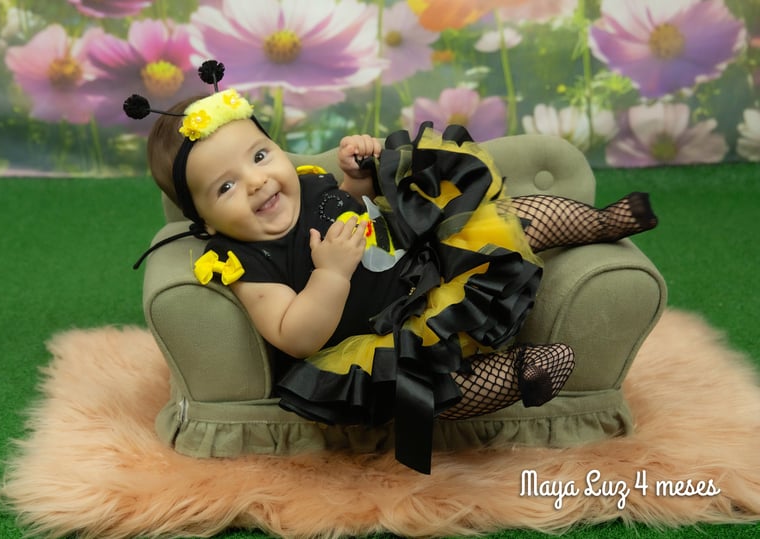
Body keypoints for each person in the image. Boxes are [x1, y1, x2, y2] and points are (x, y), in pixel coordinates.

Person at [126, 62, 658, 473]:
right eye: (225, 186)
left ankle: (596, 222)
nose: (256, 182)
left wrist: (360, 174)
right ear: (205, 220)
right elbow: (293, 335)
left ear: (277, 149)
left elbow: (355, 202)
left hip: (423, 265)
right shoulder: (243, 262)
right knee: (429, 387)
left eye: (260, 156)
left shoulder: (308, 182)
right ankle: (520, 372)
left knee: (494, 224)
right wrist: (330, 275)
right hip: (383, 336)